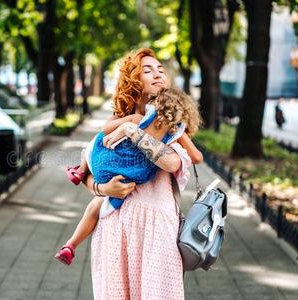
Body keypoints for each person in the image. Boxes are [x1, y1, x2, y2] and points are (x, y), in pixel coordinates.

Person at [62, 48, 201, 299]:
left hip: (156, 227)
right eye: (147, 70)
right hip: (114, 226)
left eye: (160, 69)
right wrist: (103, 190)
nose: (158, 74)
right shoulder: (117, 121)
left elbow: (171, 163)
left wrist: (132, 131)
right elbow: (89, 169)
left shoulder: (170, 123)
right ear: (132, 81)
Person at [55, 88, 202, 265]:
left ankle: (79, 171)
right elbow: (197, 158)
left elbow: (105, 130)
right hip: (131, 175)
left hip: (105, 162)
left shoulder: (141, 118)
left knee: (95, 142)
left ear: (156, 105)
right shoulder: (175, 133)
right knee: (100, 206)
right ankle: (70, 246)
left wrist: (124, 126)